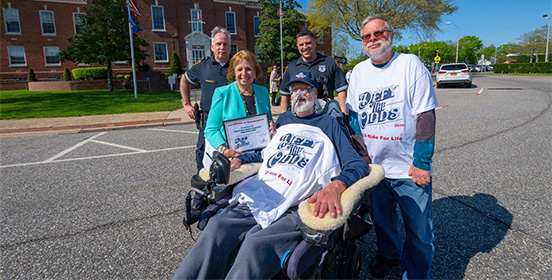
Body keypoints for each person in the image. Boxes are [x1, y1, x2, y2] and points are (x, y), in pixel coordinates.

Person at [172, 70, 368, 280]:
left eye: (305, 89)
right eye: (294, 90)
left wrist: (335, 186)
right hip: (263, 189)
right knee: (217, 227)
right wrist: (242, 159)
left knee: (255, 245)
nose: (299, 94)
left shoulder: (329, 124)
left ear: (315, 93)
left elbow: (357, 164)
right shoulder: (283, 120)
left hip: (297, 198)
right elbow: (266, 151)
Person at [346, 15, 438, 279]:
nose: (373, 39)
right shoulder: (360, 72)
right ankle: (390, 255)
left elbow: (425, 116)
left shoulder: (410, 64)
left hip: (409, 168)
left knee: (419, 230)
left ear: (391, 34)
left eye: (379, 33)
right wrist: (363, 155)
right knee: (383, 222)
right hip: (376, 169)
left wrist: (421, 161)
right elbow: (354, 118)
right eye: (367, 36)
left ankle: (417, 274)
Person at [203, 50, 274, 166]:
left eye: (249, 69)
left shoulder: (263, 92)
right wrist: (223, 150)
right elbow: (211, 130)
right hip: (233, 156)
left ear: (255, 72)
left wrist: (271, 125)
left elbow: (268, 120)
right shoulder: (222, 93)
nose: (244, 73)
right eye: (239, 69)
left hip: (260, 155)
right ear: (233, 72)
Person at [179, 26, 231, 173]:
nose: (222, 47)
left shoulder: (237, 66)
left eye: (225, 44)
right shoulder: (203, 66)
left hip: (231, 120)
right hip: (208, 122)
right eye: (218, 44)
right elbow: (184, 79)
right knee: (203, 153)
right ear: (212, 46)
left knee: (231, 154)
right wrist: (187, 103)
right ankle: (203, 189)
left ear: (229, 46)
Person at [279, 30, 348, 114]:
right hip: (300, 116)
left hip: (325, 115)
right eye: (301, 44)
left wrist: (344, 115)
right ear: (297, 46)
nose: (305, 47)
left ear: (315, 42)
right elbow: (285, 94)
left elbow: (341, 92)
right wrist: (284, 115)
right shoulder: (291, 67)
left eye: (308, 43)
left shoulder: (331, 63)